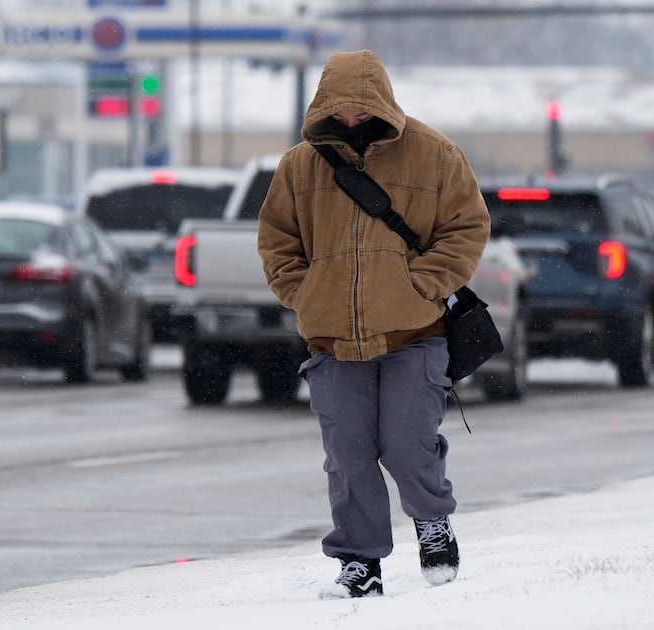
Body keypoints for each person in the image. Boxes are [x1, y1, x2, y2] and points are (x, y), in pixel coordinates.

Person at [256, 49, 491, 599]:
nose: (353, 120)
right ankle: (360, 562)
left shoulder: (435, 155)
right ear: (324, 105)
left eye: (362, 110)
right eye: (342, 111)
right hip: (333, 340)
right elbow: (277, 241)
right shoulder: (299, 166)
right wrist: (305, 294)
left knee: (407, 445)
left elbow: (467, 227)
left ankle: (432, 522)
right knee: (349, 456)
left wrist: (422, 284)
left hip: (415, 335)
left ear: (382, 102)